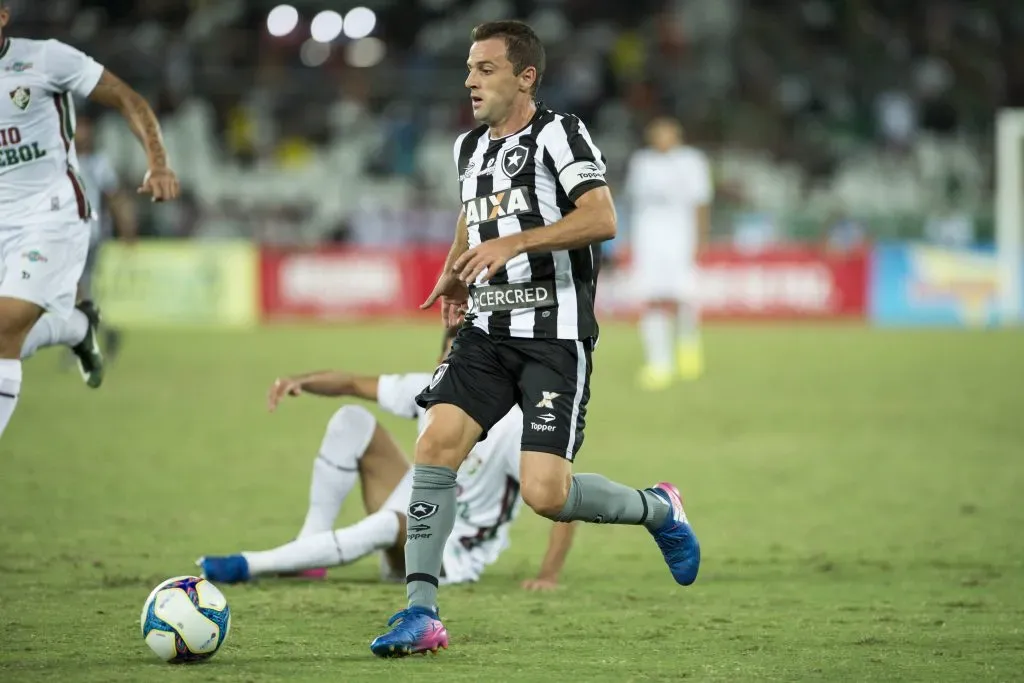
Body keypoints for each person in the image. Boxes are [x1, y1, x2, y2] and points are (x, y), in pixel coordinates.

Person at [370, 20, 701, 658]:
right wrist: (456, 272)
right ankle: (421, 612)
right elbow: (473, 215)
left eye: (486, 68)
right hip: (487, 331)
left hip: (555, 338)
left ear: (525, 76)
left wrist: (515, 242)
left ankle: (659, 509)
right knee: (436, 444)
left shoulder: (559, 132)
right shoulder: (468, 148)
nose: (470, 79)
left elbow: (602, 217)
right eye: (468, 68)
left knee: (547, 495)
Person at [197, 327, 577, 592]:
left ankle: (249, 564)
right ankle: (308, 551)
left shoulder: (512, 425)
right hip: (413, 515)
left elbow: (559, 497)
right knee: (351, 420)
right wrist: (302, 380)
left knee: (390, 522)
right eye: (454, 358)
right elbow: (351, 384)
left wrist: (549, 574)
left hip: (453, 555)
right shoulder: (434, 388)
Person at [0, 3, 179, 441]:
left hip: (51, 216)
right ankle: (79, 327)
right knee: (9, 333)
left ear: (3, 16)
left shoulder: (45, 58)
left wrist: (157, 163)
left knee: (3, 326)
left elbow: (127, 97)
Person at [624, 117, 713, 389]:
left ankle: (688, 350)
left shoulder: (692, 161)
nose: (662, 139)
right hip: (648, 241)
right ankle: (659, 363)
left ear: (677, 136)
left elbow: (701, 203)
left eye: (667, 134)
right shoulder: (641, 163)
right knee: (651, 299)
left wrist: (701, 238)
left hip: (680, 241)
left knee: (684, 297)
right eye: (657, 134)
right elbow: (633, 204)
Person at [69, 111, 136, 362]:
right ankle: (102, 334)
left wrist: (126, 228)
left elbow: (115, 197)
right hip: (67, 236)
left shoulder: (99, 163)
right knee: (78, 291)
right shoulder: (65, 160)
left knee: (76, 289)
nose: (82, 133)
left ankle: (82, 342)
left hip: (90, 235)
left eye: (85, 128)